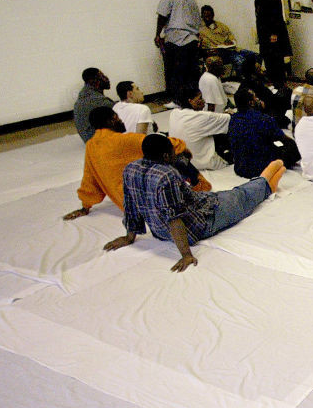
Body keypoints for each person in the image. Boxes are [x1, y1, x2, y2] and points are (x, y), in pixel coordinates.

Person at [104, 134, 284, 273]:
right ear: (166, 156)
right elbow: (174, 219)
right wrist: (186, 255)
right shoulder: (166, 176)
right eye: (173, 152)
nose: (175, 154)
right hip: (200, 223)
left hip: (160, 232)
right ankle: (268, 178)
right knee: (241, 196)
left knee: (226, 195)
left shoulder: (130, 169)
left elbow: (131, 205)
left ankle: (269, 181)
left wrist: (129, 237)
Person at [63, 107, 209, 220]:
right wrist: (183, 147)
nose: (121, 121)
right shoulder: (125, 140)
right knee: (174, 154)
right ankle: (200, 186)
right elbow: (166, 144)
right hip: (149, 203)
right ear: (112, 120)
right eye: (118, 118)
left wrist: (85, 206)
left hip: (127, 206)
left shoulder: (91, 146)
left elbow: (90, 179)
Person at [228, 87, 301, 179]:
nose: (258, 99)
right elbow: (284, 140)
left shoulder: (233, 119)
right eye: (255, 97)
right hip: (262, 168)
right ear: (251, 103)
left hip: (240, 168)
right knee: (293, 149)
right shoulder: (265, 119)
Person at [155, 0, 202, 99]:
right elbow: (198, 21)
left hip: (175, 39)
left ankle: (177, 100)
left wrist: (157, 34)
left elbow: (162, 15)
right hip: (192, 39)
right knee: (191, 72)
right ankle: (193, 99)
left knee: (175, 73)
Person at [168, 85, 231, 170]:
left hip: (183, 163)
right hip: (205, 163)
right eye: (200, 98)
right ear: (190, 101)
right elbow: (230, 119)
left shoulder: (174, 113)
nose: (204, 101)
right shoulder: (202, 117)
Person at [249, 0, 292, 86]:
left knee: (276, 59)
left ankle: (280, 82)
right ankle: (274, 80)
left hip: (273, 35)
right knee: (268, 59)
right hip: (264, 35)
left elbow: (276, 18)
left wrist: (274, 34)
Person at [198, 4, 258, 76]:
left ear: (213, 15)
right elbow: (202, 45)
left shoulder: (221, 26)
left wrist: (231, 41)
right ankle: (242, 79)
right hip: (218, 54)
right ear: (202, 16)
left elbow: (231, 36)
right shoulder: (200, 30)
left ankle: (253, 75)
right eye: (205, 16)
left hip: (230, 50)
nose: (208, 18)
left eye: (209, 16)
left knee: (254, 55)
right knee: (240, 61)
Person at [73, 68, 114, 142]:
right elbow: (118, 110)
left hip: (89, 137)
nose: (106, 78)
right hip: (96, 140)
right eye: (102, 76)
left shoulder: (85, 93)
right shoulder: (93, 99)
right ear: (93, 81)